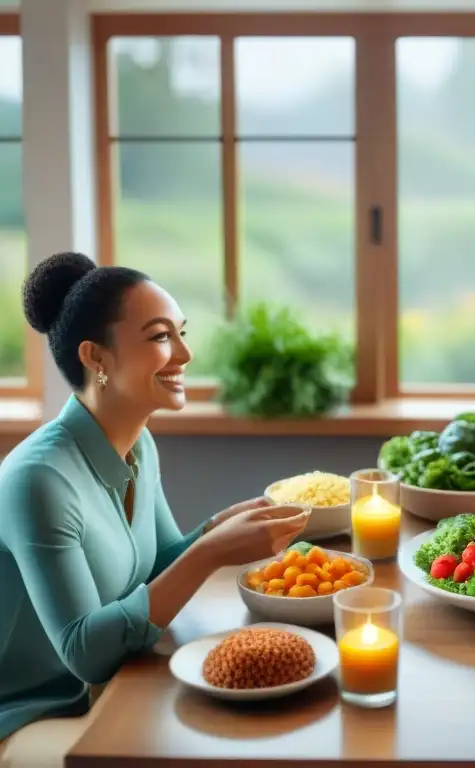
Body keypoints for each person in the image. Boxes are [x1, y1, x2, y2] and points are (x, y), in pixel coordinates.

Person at [0, 253, 311, 760]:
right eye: (161, 336)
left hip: (117, 685)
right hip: (33, 713)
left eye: (181, 332)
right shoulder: (38, 479)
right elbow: (85, 654)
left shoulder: (139, 444)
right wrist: (210, 553)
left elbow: (158, 566)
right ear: (96, 358)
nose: (185, 353)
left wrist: (215, 529)